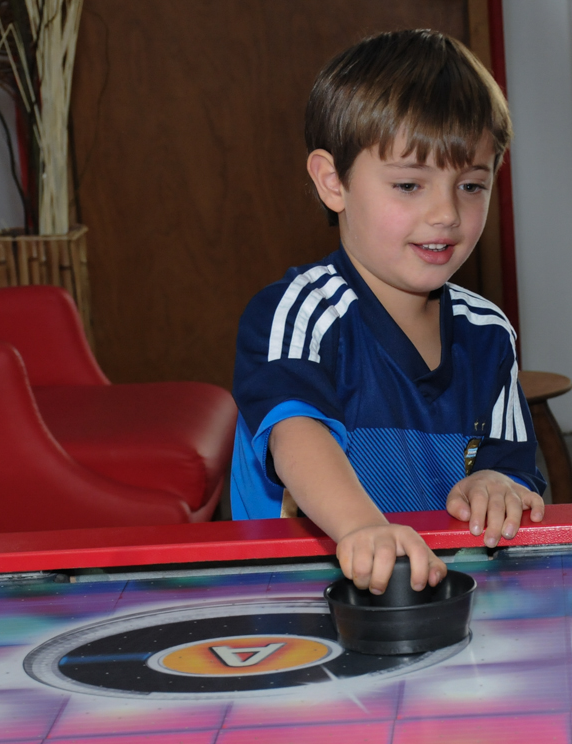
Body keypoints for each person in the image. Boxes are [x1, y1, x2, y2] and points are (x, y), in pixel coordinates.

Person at [230, 29, 546, 597]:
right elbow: (297, 437)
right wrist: (362, 527)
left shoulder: (489, 333)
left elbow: (511, 462)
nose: (447, 213)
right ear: (334, 182)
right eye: (408, 183)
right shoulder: (297, 312)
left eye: (472, 185)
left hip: (440, 595)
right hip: (299, 598)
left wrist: (499, 483)